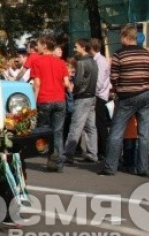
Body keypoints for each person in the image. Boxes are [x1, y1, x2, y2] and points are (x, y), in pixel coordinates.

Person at [100, 24, 149, 176]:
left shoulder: (119, 55)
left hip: (127, 96)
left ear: (126, 37)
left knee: (116, 132)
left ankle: (110, 167)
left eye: (121, 37)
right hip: (146, 94)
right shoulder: (147, 54)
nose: (120, 40)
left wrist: (118, 90)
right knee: (144, 134)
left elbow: (114, 77)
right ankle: (143, 168)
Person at [30, 35, 71, 172]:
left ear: (45, 46)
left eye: (39, 44)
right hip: (59, 99)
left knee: (43, 130)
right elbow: (66, 83)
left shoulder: (37, 61)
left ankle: (47, 155)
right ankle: (58, 162)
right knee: (58, 132)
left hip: (44, 99)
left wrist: (33, 102)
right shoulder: (61, 62)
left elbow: (37, 83)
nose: (37, 47)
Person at [64, 39, 98, 164]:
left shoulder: (82, 63)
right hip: (92, 96)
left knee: (76, 126)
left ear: (83, 47)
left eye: (76, 46)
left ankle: (68, 153)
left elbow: (78, 81)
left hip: (82, 97)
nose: (74, 48)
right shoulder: (94, 61)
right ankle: (92, 153)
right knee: (90, 126)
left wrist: (74, 88)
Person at [91, 38, 112, 161]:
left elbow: (99, 81)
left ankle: (103, 150)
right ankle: (101, 149)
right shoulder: (99, 60)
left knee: (101, 124)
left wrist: (94, 91)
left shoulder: (100, 61)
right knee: (99, 124)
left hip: (100, 95)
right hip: (101, 94)